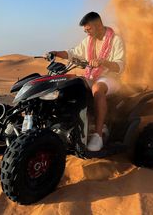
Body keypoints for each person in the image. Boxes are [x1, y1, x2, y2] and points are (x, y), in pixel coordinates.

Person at [45, 12, 125, 151]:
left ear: (99, 25)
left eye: (88, 29)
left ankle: (98, 135)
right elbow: (73, 53)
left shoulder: (116, 40)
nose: (86, 33)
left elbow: (120, 65)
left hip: (110, 78)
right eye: (85, 30)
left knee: (97, 89)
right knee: (71, 85)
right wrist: (56, 53)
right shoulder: (89, 41)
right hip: (92, 76)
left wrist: (103, 62)